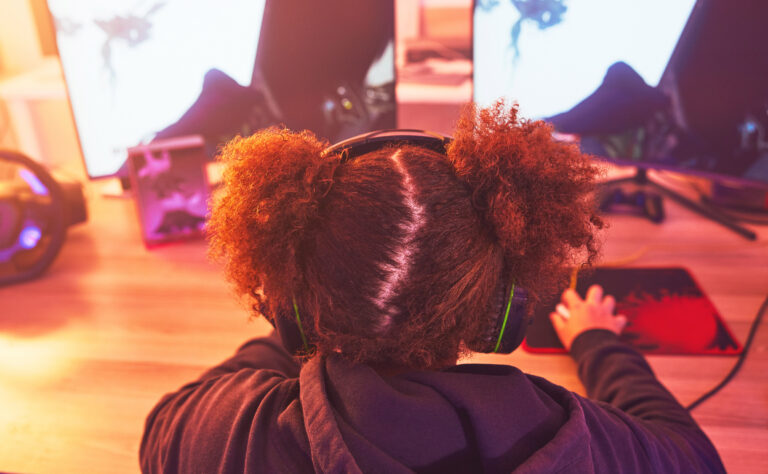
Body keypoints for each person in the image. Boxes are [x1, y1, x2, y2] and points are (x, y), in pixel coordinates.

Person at [140, 102, 725, 473]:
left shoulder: (233, 437)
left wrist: (295, 322)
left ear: (292, 305)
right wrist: (599, 345)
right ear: (502, 307)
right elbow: (696, 458)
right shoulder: (573, 440)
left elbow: (164, 428)